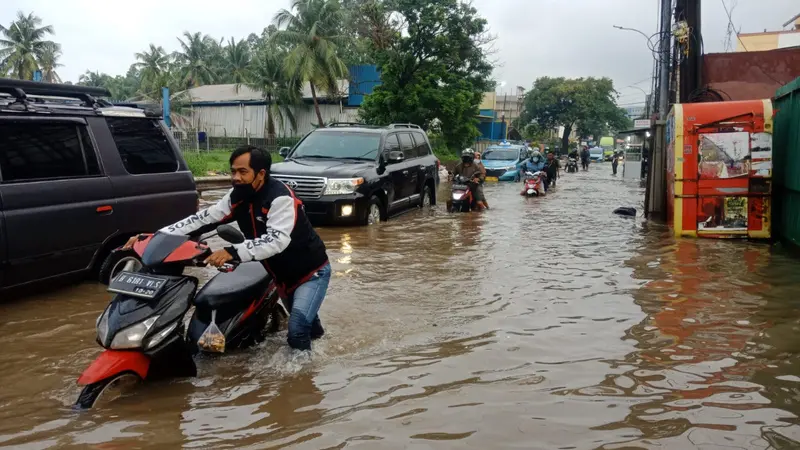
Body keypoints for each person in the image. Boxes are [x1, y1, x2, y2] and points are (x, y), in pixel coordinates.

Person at [122, 145, 330, 352]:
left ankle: (302, 376)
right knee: (306, 322)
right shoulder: (237, 196)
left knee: (297, 329)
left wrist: (232, 251)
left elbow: (276, 241)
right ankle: (321, 343)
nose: (236, 177)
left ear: (261, 174)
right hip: (280, 275)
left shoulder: (280, 198)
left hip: (310, 273)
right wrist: (156, 236)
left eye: (242, 172)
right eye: (233, 171)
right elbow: (202, 219)